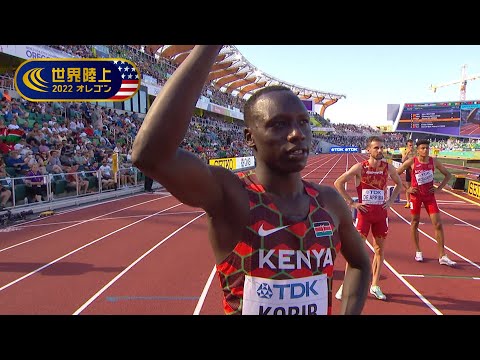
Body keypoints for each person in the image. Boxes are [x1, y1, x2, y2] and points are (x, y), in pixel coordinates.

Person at [132, 45, 371, 315]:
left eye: (303, 122)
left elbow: (361, 265)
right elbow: (150, 156)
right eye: (279, 124)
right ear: (249, 138)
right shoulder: (231, 195)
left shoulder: (329, 202)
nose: (297, 134)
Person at [333, 136, 403, 301]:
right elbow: (338, 183)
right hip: (364, 215)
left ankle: (375, 285)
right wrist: (351, 202)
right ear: (368, 150)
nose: (379, 151)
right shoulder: (360, 167)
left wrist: (391, 201)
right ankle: (346, 285)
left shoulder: (388, 168)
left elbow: (399, 184)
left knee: (379, 250)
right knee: (356, 252)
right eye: (376, 148)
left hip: (381, 215)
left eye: (381, 148)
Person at [395, 139, 456, 266]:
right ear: (418, 150)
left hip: (429, 197)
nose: (425, 150)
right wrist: (407, 189)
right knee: (415, 222)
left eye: (427, 148)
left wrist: (439, 188)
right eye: (422, 148)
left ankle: (442, 255)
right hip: (416, 197)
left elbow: (448, 175)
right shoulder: (412, 161)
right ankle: (418, 251)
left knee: (438, 224)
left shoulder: (434, 161)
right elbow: (395, 175)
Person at [401, 139, 415, 208]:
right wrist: (407, 153)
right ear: (407, 145)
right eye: (410, 145)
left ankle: (417, 201)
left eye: (412, 145)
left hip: (415, 171)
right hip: (408, 169)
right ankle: (408, 202)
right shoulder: (405, 151)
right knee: (408, 187)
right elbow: (403, 160)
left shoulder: (416, 151)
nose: (412, 147)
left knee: (416, 187)